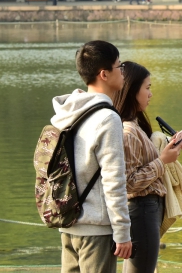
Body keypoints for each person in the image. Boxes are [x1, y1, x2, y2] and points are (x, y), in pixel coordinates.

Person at [53, 41, 132, 273]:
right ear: (104, 74)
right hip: (96, 230)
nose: (123, 72)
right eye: (120, 66)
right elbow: (114, 181)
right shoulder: (107, 119)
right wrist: (122, 233)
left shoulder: (67, 113)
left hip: (68, 225)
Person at [114, 62, 182, 273]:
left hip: (146, 210)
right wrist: (163, 160)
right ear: (131, 90)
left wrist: (168, 149)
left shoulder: (135, 125)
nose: (150, 94)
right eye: (147, 87)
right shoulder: (128, 131)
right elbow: (131, 183)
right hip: (142, 210)